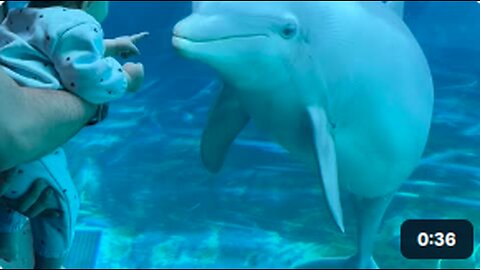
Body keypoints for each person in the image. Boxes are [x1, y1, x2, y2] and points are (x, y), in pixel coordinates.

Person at [0, 1, 147, 268]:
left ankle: (6, 237)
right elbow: (91, 81)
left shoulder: (19, 14)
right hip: (32, 149)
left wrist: (109, 44)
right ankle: (52, 264)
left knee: (10, 195)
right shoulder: (81, 23)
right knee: (63, 202)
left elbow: (48, 43)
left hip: (13, 157)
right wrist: (127, 78)